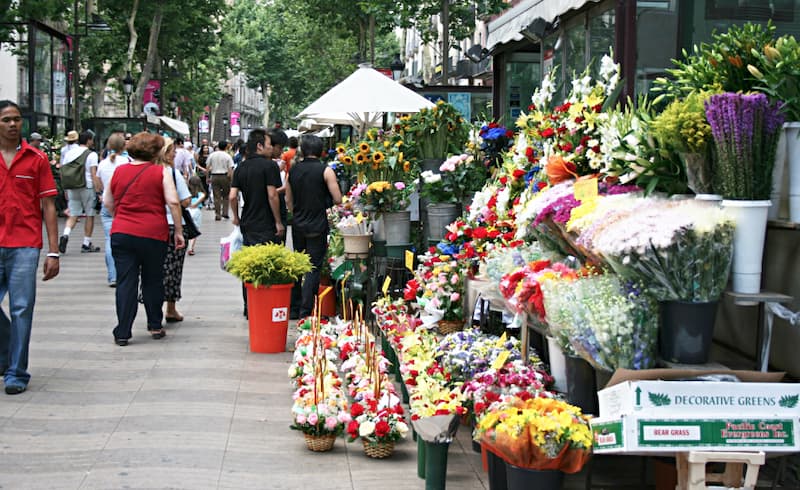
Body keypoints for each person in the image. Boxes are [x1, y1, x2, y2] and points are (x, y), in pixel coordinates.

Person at [0, 100, 60, 394]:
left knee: (22, 308)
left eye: (16, 119)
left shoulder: (36, 159)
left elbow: (48, 205)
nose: (12, 124)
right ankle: (6, 354)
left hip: (25, 244)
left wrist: (53, 250)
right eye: (6, 120)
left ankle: (16, 372)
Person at [104, 132, 184, 346]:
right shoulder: (161, 172)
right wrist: (178, 231)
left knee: (125, 282)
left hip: (122, 232)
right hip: (153, 233)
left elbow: (107, 201)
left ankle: (122, 331)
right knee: (153, 279)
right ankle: (155, 325)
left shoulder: (119, 171)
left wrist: (120, 217)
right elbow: (173, 202)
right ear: (156, 151)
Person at [229, 129, 284, 317]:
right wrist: (278, 221)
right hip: (266, 222)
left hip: (248, 222)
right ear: (259, 146)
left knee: (250, 264)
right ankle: (265, 303)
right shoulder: (270, 167)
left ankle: (249, 305)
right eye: (269, 145)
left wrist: (236, 217)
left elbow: (232, 196)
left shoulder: (241, 167)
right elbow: (272, 194)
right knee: (268, 263)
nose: (271, 148)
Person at [286, 135, 342, 320]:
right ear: (321, 151)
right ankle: (306, 310)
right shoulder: (326, 171)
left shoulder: (293, 170)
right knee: (313, 267)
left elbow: (288, 199)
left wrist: (297, 212)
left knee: (298, 265)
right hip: (317, 224)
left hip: (298, 224)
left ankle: (293, 308)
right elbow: (338, 199)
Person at [155, 138, 192, 323]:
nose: (175, 153)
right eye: (171, 151)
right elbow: (184, 201)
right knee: (173, 269)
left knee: (155, 269)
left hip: (152, 226)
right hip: (172, 224)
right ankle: (170, 308)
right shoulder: (172, 173)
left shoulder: (148, 171)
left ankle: (154, 309)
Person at [94, 133, 131, 287]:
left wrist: (102, 195)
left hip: (107, 204)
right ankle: (125, 272)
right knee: (126, 239)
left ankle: (112, 276)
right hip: (124, 204)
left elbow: (98, 183)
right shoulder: (126, 162)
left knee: (110, 239)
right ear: (124, 146)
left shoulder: (102, 164)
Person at [59, 131, 100, 254]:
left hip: (72, 187)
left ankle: (65, 234)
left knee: (73, 214)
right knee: (90, 215)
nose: (92, 142)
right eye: (92, 140)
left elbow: (63, 172)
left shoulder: (68, 153)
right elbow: (93, 174)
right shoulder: (91, 154)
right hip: (87, 186)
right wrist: (98, 191)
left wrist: (65, 189)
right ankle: (86, 243)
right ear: (88, 140)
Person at [207, 140, 234, 221]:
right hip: (224, 176)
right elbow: (230, 168)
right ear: (226, 147)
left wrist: (207, 177)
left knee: (216, 196)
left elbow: (208, 167)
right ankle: (225, 213)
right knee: (226, 195)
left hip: (214, 176)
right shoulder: (227, 156)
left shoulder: (212, 155)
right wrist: (230, 178)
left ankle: (217, 214)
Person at [186, 176, 206, 256]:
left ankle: (187, 245)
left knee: (187, 229)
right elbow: (195, 205)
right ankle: (191, 248)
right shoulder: (202, 194)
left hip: (187, 212)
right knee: (195, 230)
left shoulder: (187, 193)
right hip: (197, 212)